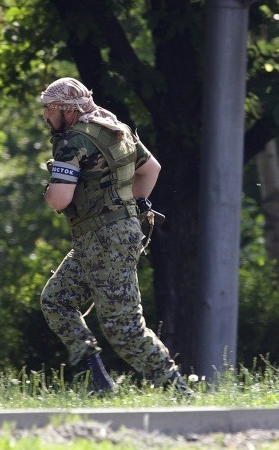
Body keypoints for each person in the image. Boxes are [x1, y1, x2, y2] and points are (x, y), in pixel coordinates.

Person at [38, 77, 189, 395]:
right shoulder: (115, 128)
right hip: (109, 237)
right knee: (56, 300)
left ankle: (178, 391)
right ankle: (98, 380)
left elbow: (59, 199)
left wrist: (49, 191)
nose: (46, 116)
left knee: (124, 329)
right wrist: (129, 207)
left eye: (50, 109)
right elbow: (151, 169)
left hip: (104, 241)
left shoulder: (72, 142)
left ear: (67, 110)